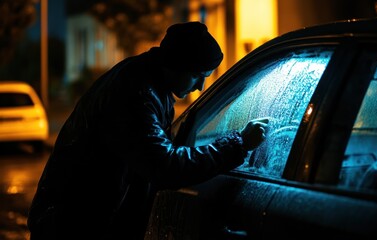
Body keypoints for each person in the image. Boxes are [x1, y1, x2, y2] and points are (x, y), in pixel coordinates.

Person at [27, 21, 269, 240]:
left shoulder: (149, 83)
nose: (200, 87)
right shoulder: (136, 94)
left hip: (82, 220)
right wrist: (237, 143)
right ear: (178, 64)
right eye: (197, 75)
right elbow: (164, 165)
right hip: (74, 225)